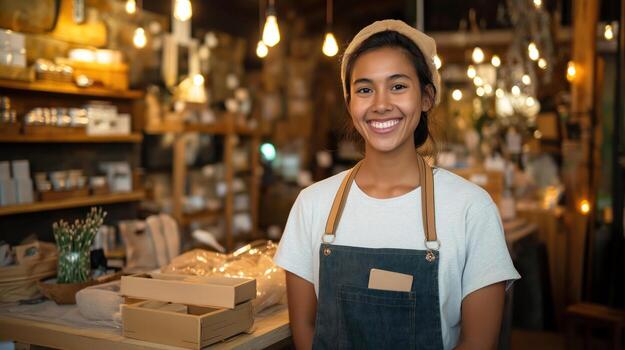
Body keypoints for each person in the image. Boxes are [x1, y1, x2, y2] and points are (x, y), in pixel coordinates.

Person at [273, 19, 520, 350]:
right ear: (349, 103)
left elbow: (477, 341)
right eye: (364, 89)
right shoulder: (312, 205)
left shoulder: (471, 209)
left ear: (426, 98)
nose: (380, 103)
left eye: (398, 86)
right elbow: (304, 327)